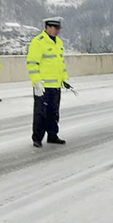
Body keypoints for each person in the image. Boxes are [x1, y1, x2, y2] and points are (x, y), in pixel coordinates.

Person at [26, 17, 73, 148]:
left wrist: (64, 79)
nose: (57, 31)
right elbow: (32, 63)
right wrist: (36, 82)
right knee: (40, 113)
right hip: (43, 85)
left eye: (58, 29)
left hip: (55, 84)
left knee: (53, 112)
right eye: (55, 28)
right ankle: (37, 138)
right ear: (48, 27)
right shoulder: (38, 42)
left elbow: (60, 64)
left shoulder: (58, 42)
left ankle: (52, 135)